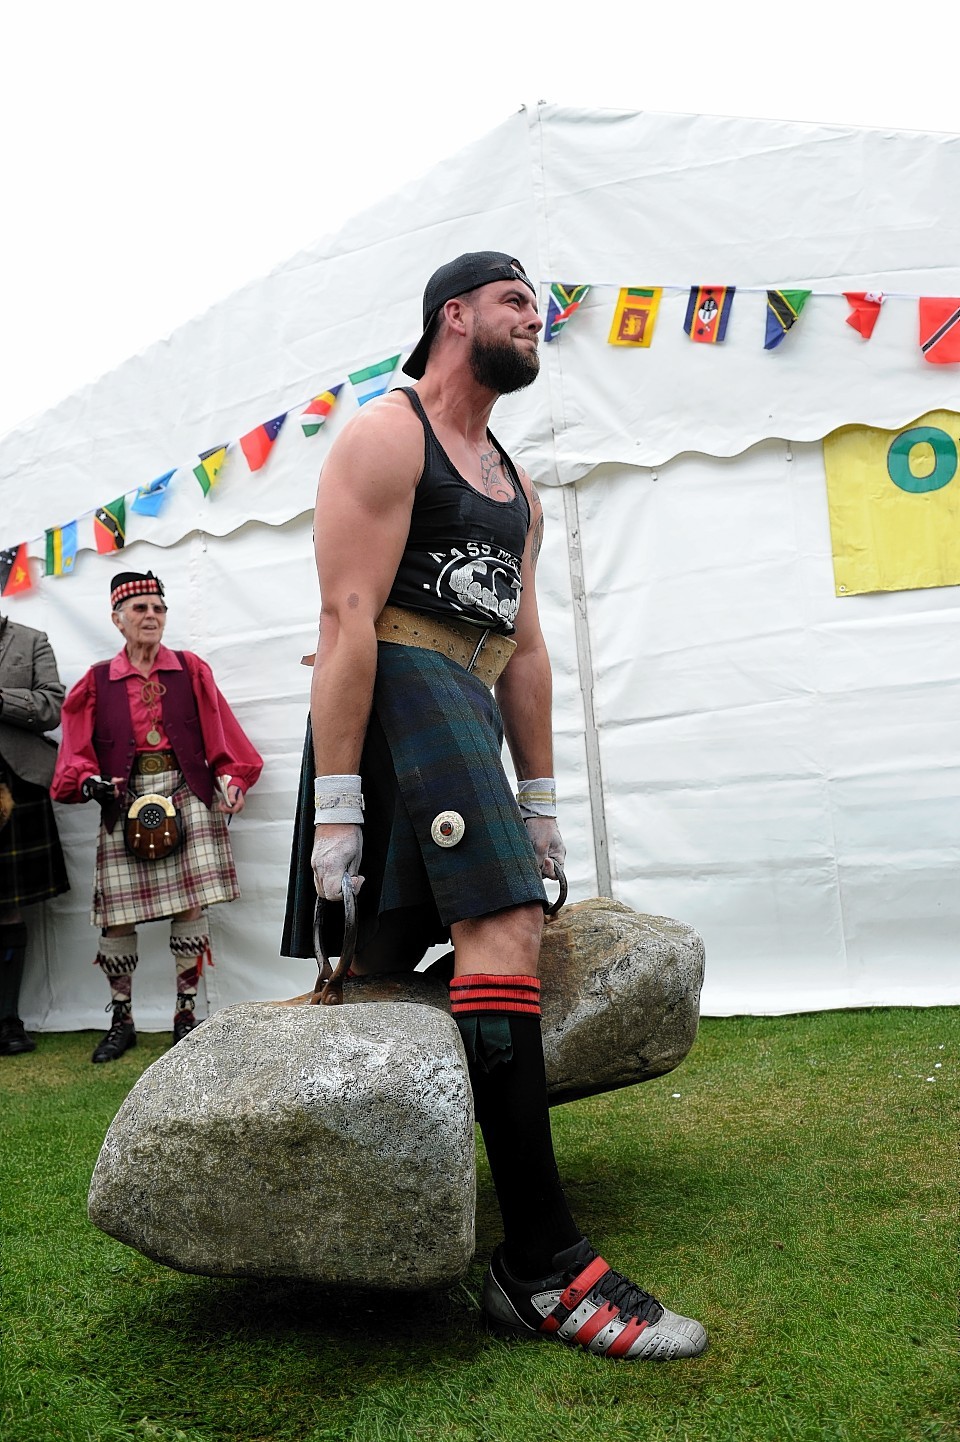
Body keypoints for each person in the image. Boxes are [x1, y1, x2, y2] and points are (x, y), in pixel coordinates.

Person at [283, 252, 707, 1360]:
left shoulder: (509, 477)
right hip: (397, 686)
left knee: (396, 964)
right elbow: (345, 620)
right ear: (453, 314)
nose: (538, 317)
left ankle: (440, 1215)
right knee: (498, 925)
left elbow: (523, 651)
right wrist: (338, 807)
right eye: (518, 300)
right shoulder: (388, 433)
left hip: (464, 698)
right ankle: (543, 1265)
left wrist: (543, 799)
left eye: (538, 304)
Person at [52, 571, 262, 1062]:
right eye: (140, 608)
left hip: (186, 791)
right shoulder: (97, 681)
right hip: (123, 800)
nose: (151, 616)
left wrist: (233, 778)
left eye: (158, 608)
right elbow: (75, 754)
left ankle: (185, 1016)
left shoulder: (190, 669)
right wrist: (87, 780)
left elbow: (224, 736)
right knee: (117, 917)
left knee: (191, 905)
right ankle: (121, 1020)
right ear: (117, 619)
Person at [0, 613, 70, 1055]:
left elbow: (50, 708)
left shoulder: (31, 640)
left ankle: (8, 1020)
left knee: (7, 907)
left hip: (17, 786)